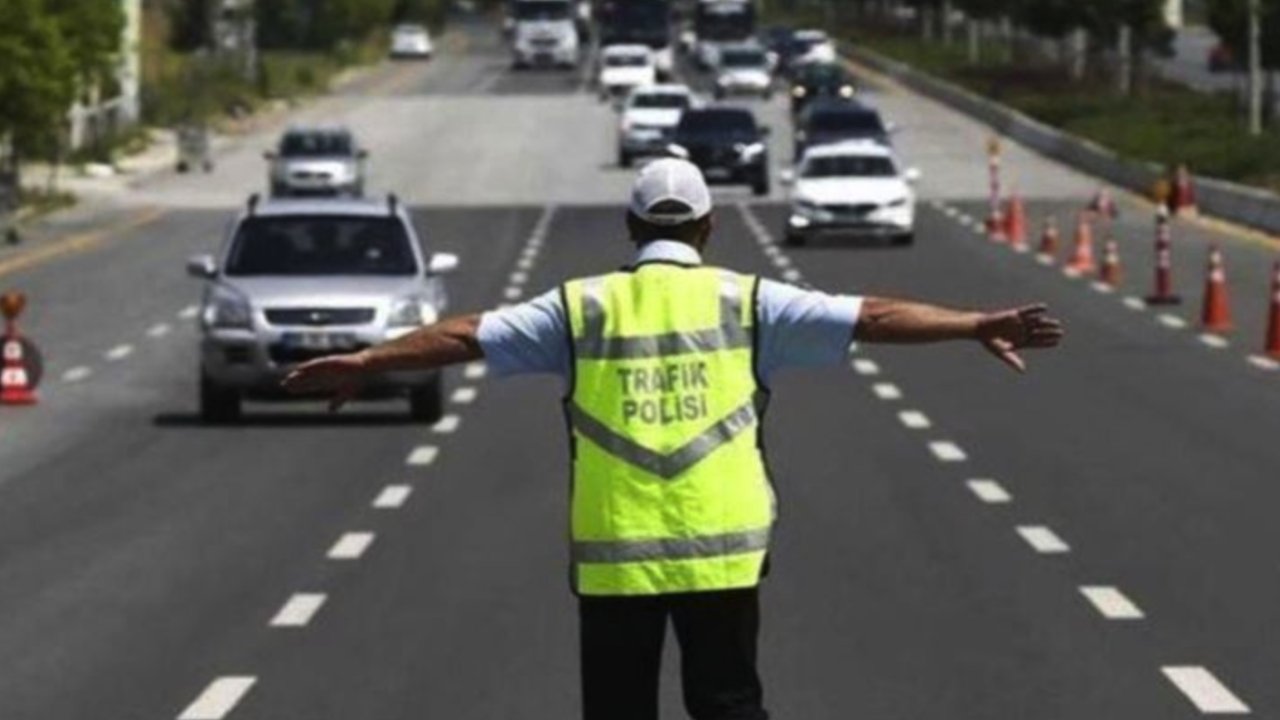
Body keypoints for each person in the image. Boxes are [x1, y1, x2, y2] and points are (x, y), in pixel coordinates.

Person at [283, 159, 1065, 720]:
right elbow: (873, 317)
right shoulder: (749, 300)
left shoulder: (580, 308)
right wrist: (973, 324)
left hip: (616, 555)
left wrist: (371, 360)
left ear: (629, 227)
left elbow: (463, 335)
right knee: (729, 703)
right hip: (722, 551)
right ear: (707, 227)